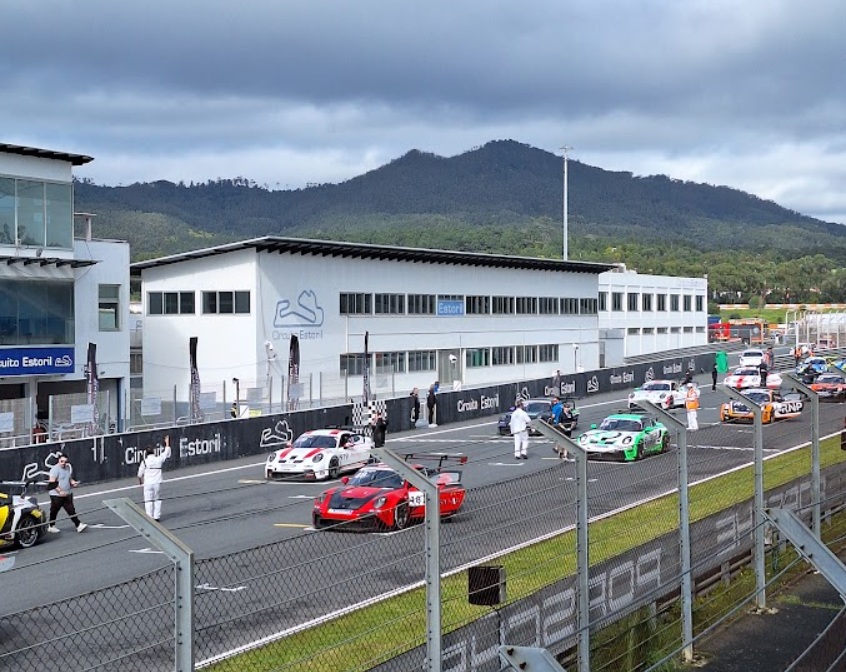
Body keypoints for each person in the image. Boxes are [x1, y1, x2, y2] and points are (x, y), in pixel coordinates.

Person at [46, 453, 87, 533]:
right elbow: (52, 482)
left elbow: (69, 478)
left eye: (65, 461)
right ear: (58, 460)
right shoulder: (54, 470)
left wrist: (73, 482)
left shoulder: (67, 468)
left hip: (67, 493)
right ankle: (51, 526)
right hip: (56, 495)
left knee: (70, 509)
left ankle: (78, 524)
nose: (63, 463)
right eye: (62, 461)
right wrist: (60, 491)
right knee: (55, 510)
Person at [137, 435, 172, 522]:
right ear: (153, 452)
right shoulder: (158, 459)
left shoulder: (144, 462)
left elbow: (139, 474)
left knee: (148, 500)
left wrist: (141, 482)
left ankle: (149, 517)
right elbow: (166, 452)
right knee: (157, 499)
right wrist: (167, 442)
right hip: (157, 482)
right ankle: (156, 516)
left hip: (148, 483)